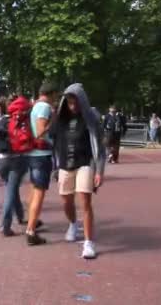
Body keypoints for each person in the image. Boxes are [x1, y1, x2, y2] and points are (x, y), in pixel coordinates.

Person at [52, 84, 106, 259]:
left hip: (85, 163)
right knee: (66, 201)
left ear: (82, 101)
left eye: (75, 102)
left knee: (85, 201)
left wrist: (99, 171)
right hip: (65, 165)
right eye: (69, 103)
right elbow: (52, 141)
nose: (73, 106)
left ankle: (89, 243)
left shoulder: (91, 118)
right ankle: (73, 224)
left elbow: (100, 147)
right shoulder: (60, 119)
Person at [0, 96, 30, 236]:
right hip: (16, 159)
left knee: (12, 188)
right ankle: (5, 225)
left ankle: (20, 216)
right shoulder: (18, 120)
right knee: (11, 191)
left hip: (1, 159)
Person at [26, 81, 59, 246]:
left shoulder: (35, 106)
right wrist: (54, 120)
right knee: (39, 193)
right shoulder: (44, 108)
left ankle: (31, 223)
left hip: (33, 154)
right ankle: (31, 231)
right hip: (41, 154)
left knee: (33, 190)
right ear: (51, 94)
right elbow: (40, 132)